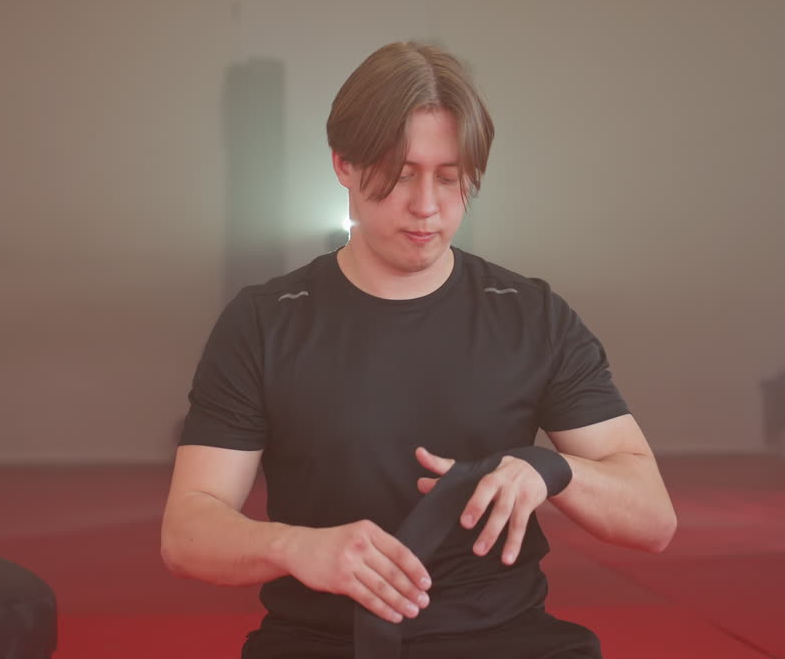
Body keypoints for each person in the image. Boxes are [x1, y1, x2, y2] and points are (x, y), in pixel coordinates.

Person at [161, 41, 677, 658]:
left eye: (450, 178)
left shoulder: (531, 315)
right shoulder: (264, 321)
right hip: (324, 642)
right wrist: (295, 546)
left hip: (508, 641)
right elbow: (187, 531)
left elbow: (654, 519)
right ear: (344, 166)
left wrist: (552, 470)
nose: (427, 207)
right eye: (402, 174)